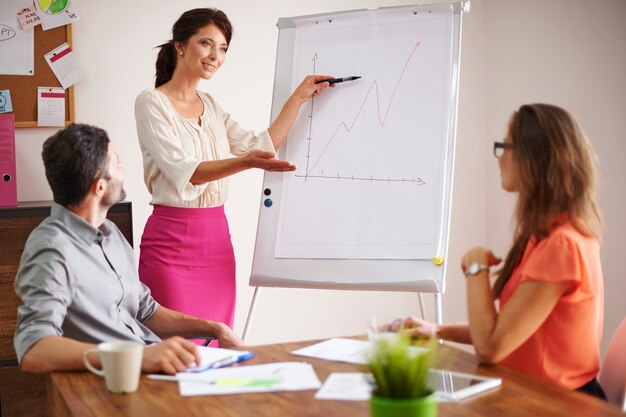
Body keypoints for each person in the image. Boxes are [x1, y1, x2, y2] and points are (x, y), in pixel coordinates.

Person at [134, 8, 334, 331]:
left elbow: (261, 145)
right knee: (175, 352)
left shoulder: (210, 105)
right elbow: (186, 170)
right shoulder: (151, 103)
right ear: (180, 45)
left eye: (223, 48)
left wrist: (297, 98)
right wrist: (245, 162)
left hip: (216, 244)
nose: (216, 55)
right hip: (170, 244)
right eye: (206, 43)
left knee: (218, 347)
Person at [388, 104, 606, 399]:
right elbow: (509, 329)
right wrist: (438, 329)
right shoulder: (547, 237)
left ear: (534, 158)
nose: (500, 158)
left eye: (505, 146)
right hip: (533, 395)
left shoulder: (562, 245)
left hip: (558, 404)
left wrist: (476, 267)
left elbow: (490, 347)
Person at [14, 124, 243, 375]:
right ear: (99, 186)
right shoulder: (52, 250)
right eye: (118, 164)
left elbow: (145, 310)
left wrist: (214, 328)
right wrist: (135, 357)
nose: (124, 170)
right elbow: (34, 348)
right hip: (116, 384)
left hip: (153, 373)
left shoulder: (110, 232)